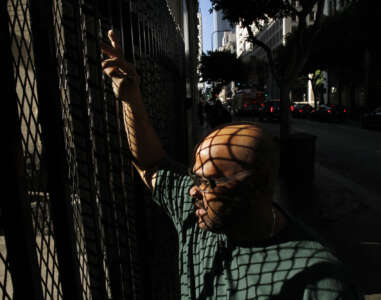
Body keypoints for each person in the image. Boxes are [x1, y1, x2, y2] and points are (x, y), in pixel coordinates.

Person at [101, 30, 362, 300]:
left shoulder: (321, 282)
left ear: (257, 184)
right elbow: (152, 165)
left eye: (206, 182)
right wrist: (131, 99)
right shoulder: (195, 213)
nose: (193, 191)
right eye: (194, 177)